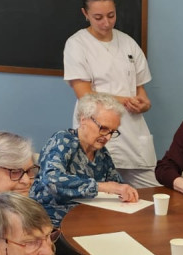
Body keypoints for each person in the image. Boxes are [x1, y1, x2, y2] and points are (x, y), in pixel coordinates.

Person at [64, 0, 157, 188]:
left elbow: (141, 92)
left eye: (111, 15)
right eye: (98, 17)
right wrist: (125, 100)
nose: (106, 23)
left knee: (151, 193)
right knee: (97, 196)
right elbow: (85, 95)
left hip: (132, 134)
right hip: (97, 131)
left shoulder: (128, 43)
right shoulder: (76, 45)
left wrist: (144, 104)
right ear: (85, 14)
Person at [32, 93, 139, 226]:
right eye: (103, 129)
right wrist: (103, 186)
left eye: (112, 132)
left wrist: (125, 191)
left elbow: (115, 184)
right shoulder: (63, 141)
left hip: (87, 219)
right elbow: (52, 181)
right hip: (51, 223)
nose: (107, 137)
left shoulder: (102, 153)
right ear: (83, 119)